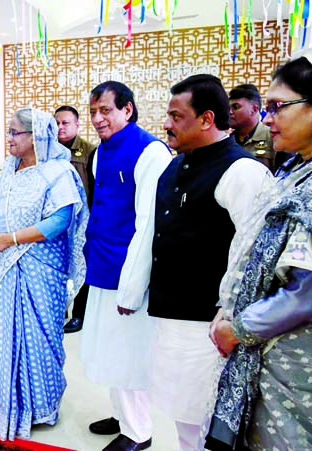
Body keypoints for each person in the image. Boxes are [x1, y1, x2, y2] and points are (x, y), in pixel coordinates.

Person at [0, 108, 88, 441]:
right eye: (8, 132)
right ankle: (11, 399)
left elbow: (59, 222)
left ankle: (41, 405)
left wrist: (12, 239)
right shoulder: (10, 169)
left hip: (42, 270)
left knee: (40, 337)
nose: (8, 138)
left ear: (35, 136)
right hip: (8, 269)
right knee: (8, 334)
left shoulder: (57, 173)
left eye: (14, 133)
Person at [206, 48, 312, 451]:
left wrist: (235, 329)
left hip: (297, 364)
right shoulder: (296, 170)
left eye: (278, 107)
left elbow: (307, 293)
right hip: (266, 351)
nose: (267, 119)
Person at [148, 74, 269, 451]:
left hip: (210, 326)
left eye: (176, 115)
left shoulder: (243, 171)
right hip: (171, 317)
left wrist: (230, 315)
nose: (166, 124)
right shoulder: (175, 165)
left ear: (206, 119)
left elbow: (256, 256)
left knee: (209, 424)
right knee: (184, 419)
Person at [79, 81, 172, 451]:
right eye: (93, 112)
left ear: (127, 110)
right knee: (107, 348)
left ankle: (139, 432)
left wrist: (134, 286)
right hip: (102, 264)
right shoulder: (102, 151)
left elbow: (150, 224)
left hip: (129, 271)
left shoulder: (151, 152)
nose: (98, 119)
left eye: (105, 110)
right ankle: (121, 415)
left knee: (131, 354)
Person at [54, 105, 98, 334]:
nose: (60, 128)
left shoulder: (90, 152)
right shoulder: (47, 152)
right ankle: (59, 309)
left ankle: (79, 314)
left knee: (81, 269)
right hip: (55, 224)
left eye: (66, 123)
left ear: (77, 125)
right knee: (58, 268)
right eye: (57, 123)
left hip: (81, 222)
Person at [229, 83, 290, 172]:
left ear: (254, 109)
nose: (230, 112)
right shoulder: (228, 141)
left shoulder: (273, 137)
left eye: (235, 107)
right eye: (228, 108)